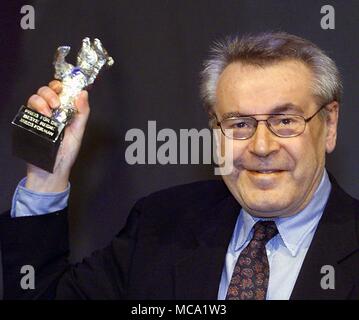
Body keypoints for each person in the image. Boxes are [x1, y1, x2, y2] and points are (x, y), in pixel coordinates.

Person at [1, 32, 358, 300]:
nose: (261, 147)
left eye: (285, 121)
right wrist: (46, 176)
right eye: (239, 124)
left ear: (329, 124)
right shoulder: (160, 225)